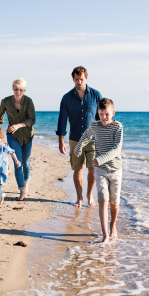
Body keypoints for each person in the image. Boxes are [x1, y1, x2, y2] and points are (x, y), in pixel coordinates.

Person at [74, 98, 123, 243]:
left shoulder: (118, 127)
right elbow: (86, 135)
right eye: (101, 114)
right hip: (100, 170)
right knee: (103, 200)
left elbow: (116, 149)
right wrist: (78, 148)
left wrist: (100, 159)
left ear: (113, 113)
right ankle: (105, 234)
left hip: (115, 170)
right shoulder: (95, 125)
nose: (104, 118)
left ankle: (113, 226)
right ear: (98, 113)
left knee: (114, 203)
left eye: (107, 114)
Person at [57, 66, 103, 207]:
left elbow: (101, 118)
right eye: (76, 79)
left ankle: (89, 195)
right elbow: (62, 120)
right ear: (73, 79)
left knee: (93, 169)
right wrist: (61, 142)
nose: (79, 82)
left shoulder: (96, 95)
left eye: (81, 79)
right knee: (77, 169)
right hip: (75, 139)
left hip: (93, 140)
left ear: (86, 78)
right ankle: (79, 198)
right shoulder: (66, 98)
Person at [0, 77, 35, 201]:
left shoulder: (29, 101)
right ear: (12, 89)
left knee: (26, 162)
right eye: (16, 89)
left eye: (21, 90)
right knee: (17, 162)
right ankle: (22, 190)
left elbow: (32, 119)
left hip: (27, 136)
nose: (18, 92)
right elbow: (0, 118)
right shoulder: (6, 101)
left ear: (24, 90)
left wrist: (19, 125)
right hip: (12, 136)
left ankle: (26, 183)